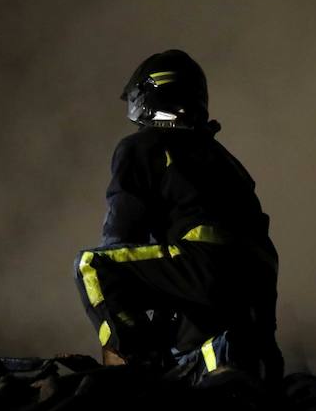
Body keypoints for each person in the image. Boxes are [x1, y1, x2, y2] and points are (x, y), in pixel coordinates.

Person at [74, 50, 282, 382]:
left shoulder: (142, 146)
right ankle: (225, 365)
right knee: (191, 354)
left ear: (148, 96)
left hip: (204, 265)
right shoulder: (225, 159)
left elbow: (123, 234)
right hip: (255, 284)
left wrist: (132, 319)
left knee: (94, 267)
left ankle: (132, 375)